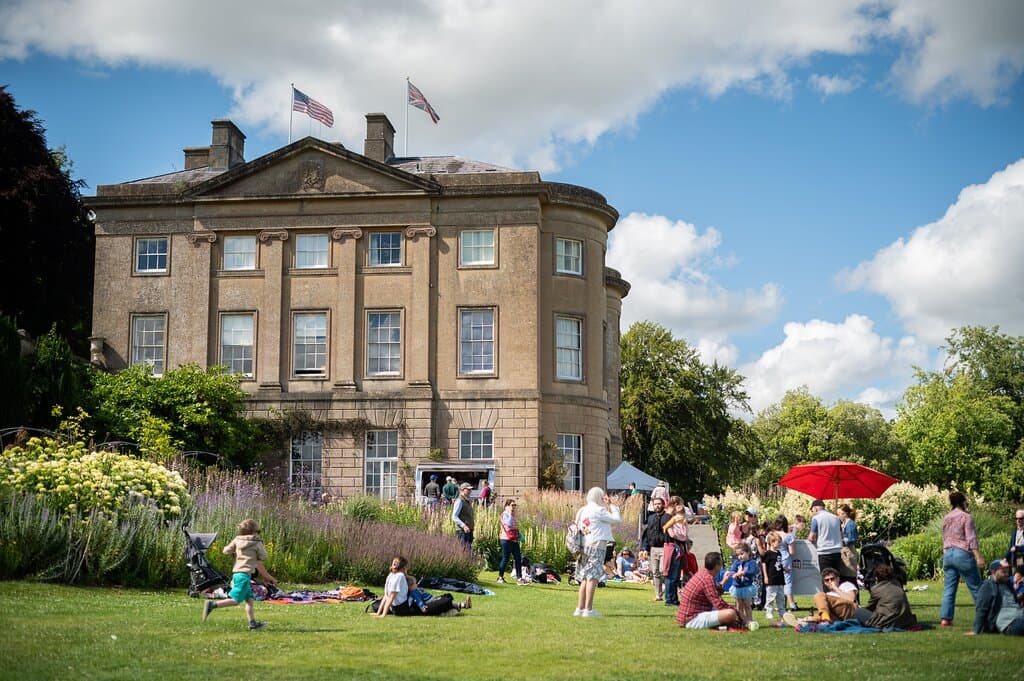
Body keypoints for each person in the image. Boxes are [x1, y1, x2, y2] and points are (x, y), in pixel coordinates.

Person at [202, 518, 277, 630]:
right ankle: (212, 605)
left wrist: (236, 552)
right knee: (236, 601)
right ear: (254, 532)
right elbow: (264, 557)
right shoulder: (257, 543)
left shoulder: (237, 540)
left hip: (237, 574)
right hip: (245, 576)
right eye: (258, 531)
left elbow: (225, 551)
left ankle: (252, 623)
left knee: (250, 600)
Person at [573, 487, 621, 617]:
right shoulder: (599, 510)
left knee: (584, 577)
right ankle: (588, 609)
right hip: (597, 545)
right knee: (593, 577)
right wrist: (612, 505)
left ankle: (580, 608)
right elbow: (616, 519)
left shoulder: (582, 510)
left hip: (584, 546)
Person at [940, 491, 985, 627]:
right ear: (962, 502)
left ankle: (945, 619)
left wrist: (946, 554)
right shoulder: (966, 517)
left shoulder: (947, 518)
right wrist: (978, 557)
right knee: (976, 587)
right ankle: (985, 617)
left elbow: (945, 538)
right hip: (962, 554)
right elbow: (971, 539)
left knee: (949, 589)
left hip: (948, 555)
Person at [674, 551, 741, 630]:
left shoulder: (703, 573)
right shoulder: (707, 579)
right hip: (692, 619)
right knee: (731, 614)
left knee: (728, 610)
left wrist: (724, 581)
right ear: (716, 566)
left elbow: (714, 591)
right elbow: (718, 603)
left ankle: (722, 624)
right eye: (721, 564)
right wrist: (737, 612)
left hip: (691, 615)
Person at [967, 558, 1024, 636]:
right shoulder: (987, 587)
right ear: (994, 572)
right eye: (1003, 572)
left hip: (1020, 615)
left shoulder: (1008, 584)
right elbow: (981, 609)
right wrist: (976, 630)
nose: (1007, 574)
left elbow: (1014, 601)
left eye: (1008, 572)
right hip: (1009, 623)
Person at [851, 564, 918, 629]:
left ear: (877, 577)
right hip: (905, 621)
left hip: (886, 622)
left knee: (858, 611)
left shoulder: (877, 589)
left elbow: (870, 607)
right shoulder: (898, 585)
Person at [790, 567, 858, 625]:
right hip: (838, 618)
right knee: (823, 614)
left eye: (832, 579)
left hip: (852, 612)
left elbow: (851, 600)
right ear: (824, 583)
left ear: (838, 579)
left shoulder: (846, 585)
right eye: (827, 580)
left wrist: (836, 588)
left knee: (819, 595)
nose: (830, 581)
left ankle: (807, 620)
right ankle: (804, 621)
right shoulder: (828, 595)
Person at [639, 496, 670, 601]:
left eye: (659, 504)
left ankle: (666, 589)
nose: (657, 505)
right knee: (655, 572)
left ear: (663, 505)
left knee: (662, 571)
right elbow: (647, 534)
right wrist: (644, 548)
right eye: (655, 504)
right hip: (653, 548)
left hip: (665, 547)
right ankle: (658, 595)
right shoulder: (651, 518)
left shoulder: (668, 517)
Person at [661, 496, 690, 606]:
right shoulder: (668, 518)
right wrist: (682, 536)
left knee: (676, 574)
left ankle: (674, 598)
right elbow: (672, 534)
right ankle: (669, 599)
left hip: (677, 546)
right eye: (680, 505)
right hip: (672, 547)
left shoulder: (675, 518)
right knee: (671, 574)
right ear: (675, 505)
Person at [807, 499, 844, 583]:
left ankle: (828, 595)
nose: (813, 512)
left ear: (815, 508)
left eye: (812, 510)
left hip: (824, 553)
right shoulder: (836, 518)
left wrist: (810, 539)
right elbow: (842, 535)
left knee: (827, 580)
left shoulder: (816, 518)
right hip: (837, 552)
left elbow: (811, 537)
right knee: (836, 579)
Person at [497, 498, 527, 585]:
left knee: (518, 558)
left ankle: (519, 578)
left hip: (514, 540)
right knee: (505, 559)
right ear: (507, 506)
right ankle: (500, 577)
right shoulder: (504, 515)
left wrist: (520, 535)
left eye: (514, 505)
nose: (513, 507)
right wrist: (510, 513)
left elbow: (515, 527)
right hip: (506, 539)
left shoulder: (513, 515)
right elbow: (509, 524)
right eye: (512, 505)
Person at [406, 576, 472, 615]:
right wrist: (422, 607)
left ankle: (462, 605)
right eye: (415, 584)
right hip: (430, 601)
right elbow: (418, 600)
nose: (416, 585)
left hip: (432, 599)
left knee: (447, 598)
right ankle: (462, 605)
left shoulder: (416, 590)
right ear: (410, 586)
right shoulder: (414, 592)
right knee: (447, 598)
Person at [726, 543, 757, 625]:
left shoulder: (751, 562)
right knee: (739, 606)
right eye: (738, 555)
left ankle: (750, 621)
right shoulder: (737, 562)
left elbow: (752, 572)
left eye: (742, 554)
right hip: (737, 587)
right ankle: (741, 620)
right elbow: (733, 571)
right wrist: (731, 574)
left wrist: (743, 573)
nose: (740, 556)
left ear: (748, 552)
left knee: (747, 605)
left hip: (747, 587)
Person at [774, 515, 798, 611]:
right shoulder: (788, 536)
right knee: (787, 582)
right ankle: (792, 604)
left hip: (774, 559)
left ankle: (780, 603)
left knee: (777, 582)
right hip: (785, 558)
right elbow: (792, 552)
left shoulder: (771, 535)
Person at [762, 532, 786, 621]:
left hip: (780, 578)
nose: (779, 544)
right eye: (778, 542)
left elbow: (778, 564)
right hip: (772, 579)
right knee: (770, 597)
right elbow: (764, 564)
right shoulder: (768, 553)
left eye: (780, 542)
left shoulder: (779, 553)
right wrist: (766, 576)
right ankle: (769, 612)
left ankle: (782, 612)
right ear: (772, 543)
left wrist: (784, 569)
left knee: (781, 597)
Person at [838, 503, 859, 582]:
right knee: (844, 574)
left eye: (841, 513)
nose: (839, 515)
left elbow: (852, 539)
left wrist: (842, 540)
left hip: (849, 550)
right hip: (844, 550)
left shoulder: (850, 524)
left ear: (846, 514)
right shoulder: (843, 524)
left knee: (850, 574)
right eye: (838, 513)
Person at [452, 482, 475, 547]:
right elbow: (454, 516)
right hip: (462, 530)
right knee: (463, 550)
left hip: (469, 529)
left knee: (468, 550)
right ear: (462, 490)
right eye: (468, 489)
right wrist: (464, 526)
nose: (470, 491)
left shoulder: (467, 500)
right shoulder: (459, 500)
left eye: (470, 489)